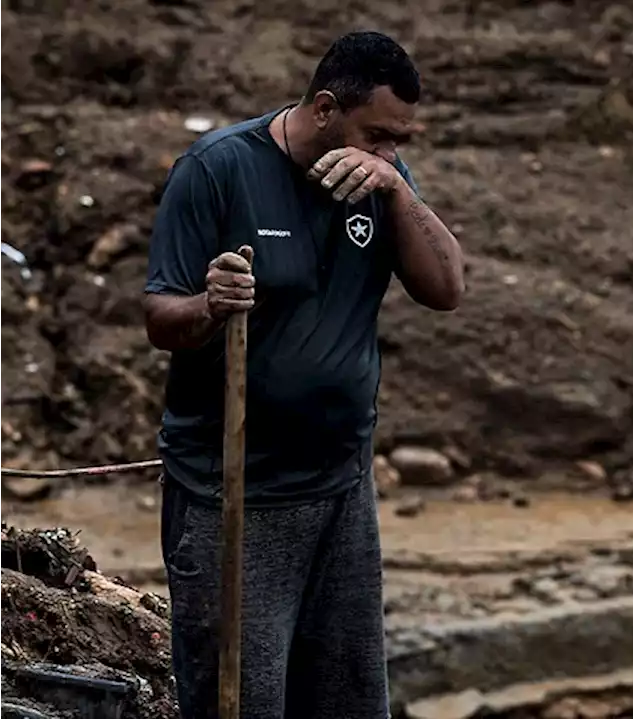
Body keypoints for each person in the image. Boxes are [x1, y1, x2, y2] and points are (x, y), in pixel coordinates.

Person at [142, 30, 464, 719]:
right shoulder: (218, 170)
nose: (388, 153)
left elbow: (445, 287)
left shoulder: (382, 177)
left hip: (341, 489)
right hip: (233, 494)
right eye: (377, 136)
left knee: (347, 698)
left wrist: (397, 192)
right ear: (324, 108)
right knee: (242, 701)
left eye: (401, 141)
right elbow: (160, 318)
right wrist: (210, 303)